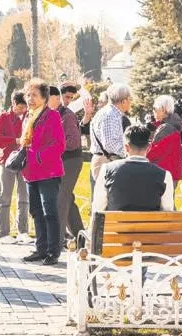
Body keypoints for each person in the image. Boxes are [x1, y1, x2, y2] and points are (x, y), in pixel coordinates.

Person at [20, 79, 65, 266]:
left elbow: (59, 144)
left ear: (44, 98)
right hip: (31, 172)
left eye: (34, 95)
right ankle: (41, 248)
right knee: (36, 211)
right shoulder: (29, 116)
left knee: (50, 212)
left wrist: (39, 156)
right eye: (28, 95)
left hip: (48, 172)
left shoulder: (51, 116)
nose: (30, 98)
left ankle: (53, 251)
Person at [92, 125, 175, 213]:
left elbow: (98, 208)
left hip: (117, 225)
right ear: (149, 147)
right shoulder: (164, 175)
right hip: (149, 226)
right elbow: (167, 210)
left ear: (126, 147)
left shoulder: (107, 170)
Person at [0, 91, 31, 244]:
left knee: (24, 197)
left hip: (24, 160)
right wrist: (14, 140)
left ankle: (23, 231)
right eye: (20, 107)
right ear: (13, 104)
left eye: (25, 107)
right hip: (6, 161)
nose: (23, 110)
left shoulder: (29, 117)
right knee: (4, 197)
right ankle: (3, 233)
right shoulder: (2, 118)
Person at [53, 84, 84, 246]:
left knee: (61, 199)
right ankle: (81, 237)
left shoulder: (67, 115)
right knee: (67, 199)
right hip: (61, 160)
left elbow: (73, 142)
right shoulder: (51, 114)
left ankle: (56, 242)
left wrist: (52, 146)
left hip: (71, 160)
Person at [89, 83, 132, 198]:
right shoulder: (110, 115)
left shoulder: (112, 113)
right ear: (123, 101)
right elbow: (109, 144)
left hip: (108, 160)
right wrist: (130, 153)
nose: (131, 102)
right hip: (106, 160)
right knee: (107, 202)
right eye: (129, 99)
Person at [146, 95, 182, 190]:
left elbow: (152, 152)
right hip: (170, 172)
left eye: (154, 108)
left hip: (164, 173)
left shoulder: (166, 128)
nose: (153, 112)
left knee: (164, 203)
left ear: (163, 109)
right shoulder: (171, 124)